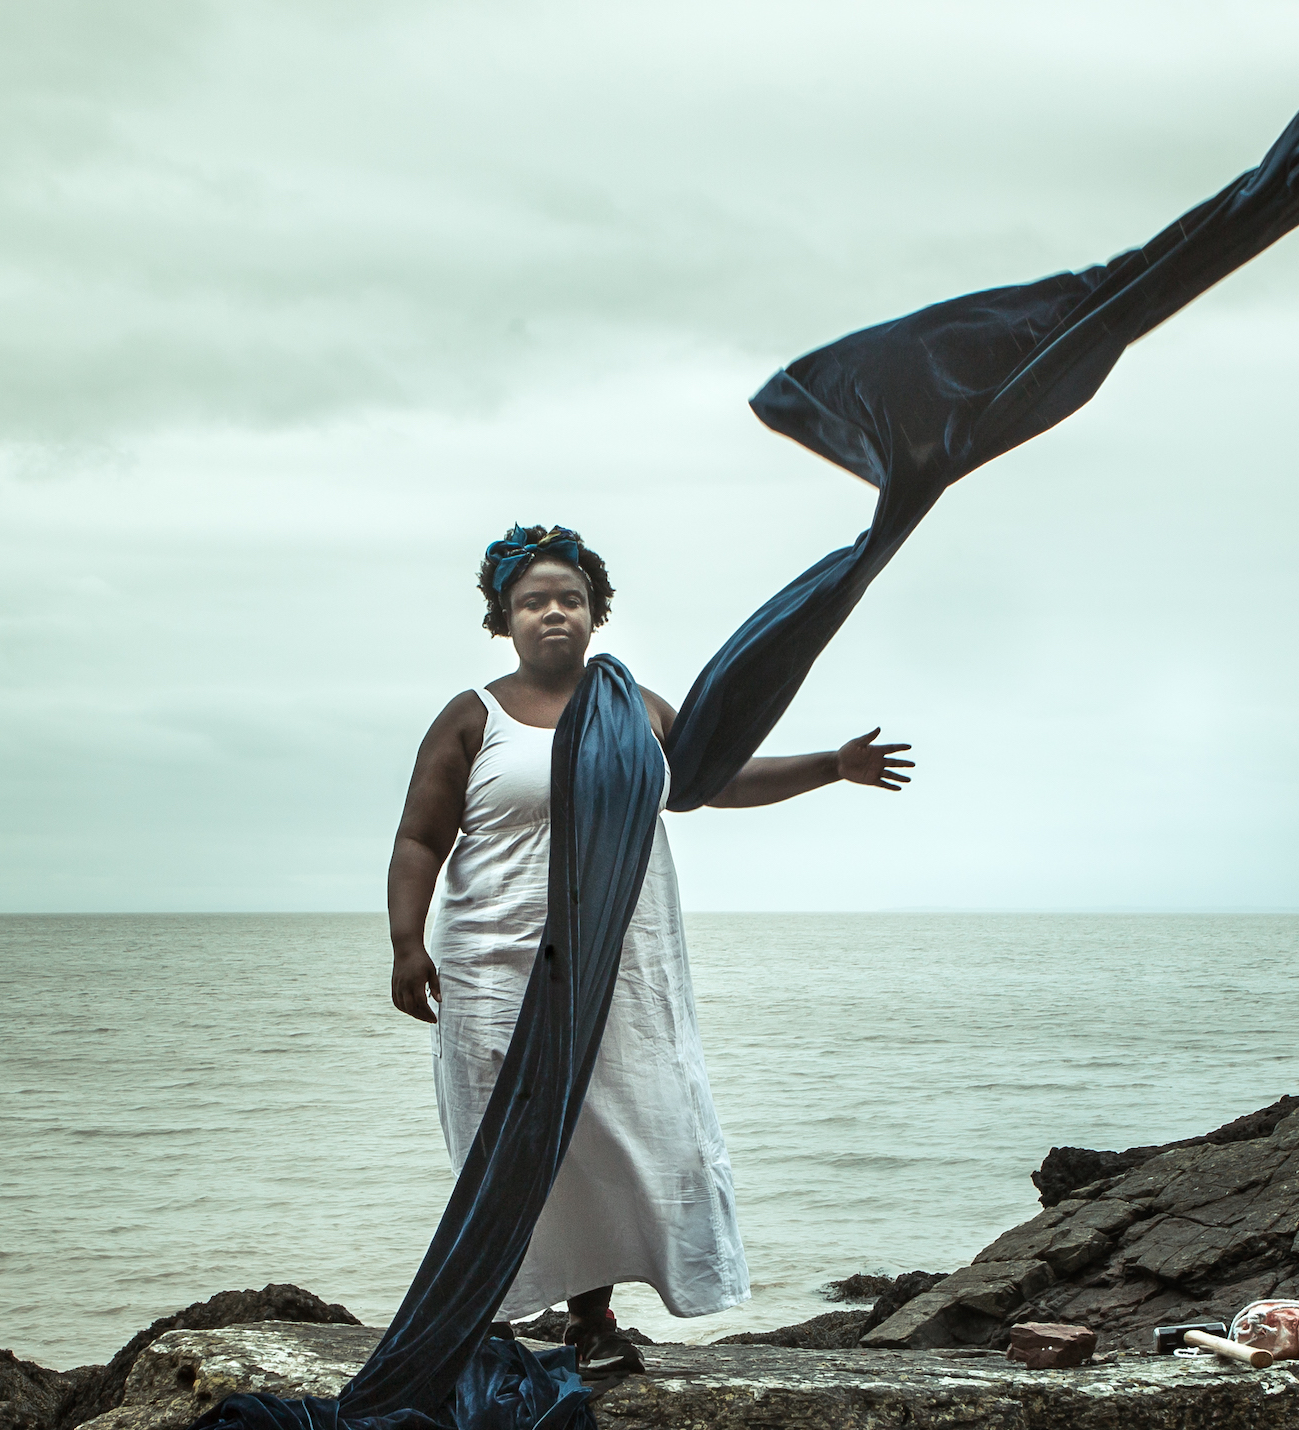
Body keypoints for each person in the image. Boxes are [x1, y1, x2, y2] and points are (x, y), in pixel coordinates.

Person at [387, 523, 913, 1376]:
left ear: (596, 616)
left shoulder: (637, 709)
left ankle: (590, 1321)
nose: (553, 612)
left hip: (615, 969)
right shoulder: (471, 717)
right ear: (503, 619)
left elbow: (710, 784)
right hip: (494, 966)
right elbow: (419, 840)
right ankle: (477, 1304)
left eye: (570, 599)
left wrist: (832, 764)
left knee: (613, 1133)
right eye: (533, 602)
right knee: (501, 1139)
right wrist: (408, 945)